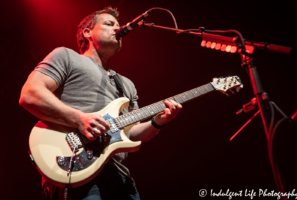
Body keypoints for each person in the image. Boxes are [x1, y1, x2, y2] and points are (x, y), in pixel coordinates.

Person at [19, 7, 182, 200]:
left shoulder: (127, 85)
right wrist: (80, 119)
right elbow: (29, 94)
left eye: (118, 25)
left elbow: (132, 134)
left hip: (120, 178)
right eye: (109, 24)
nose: (118, 29)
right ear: (87, 32)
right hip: (76, 166)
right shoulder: (66, 56)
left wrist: (158, 122)